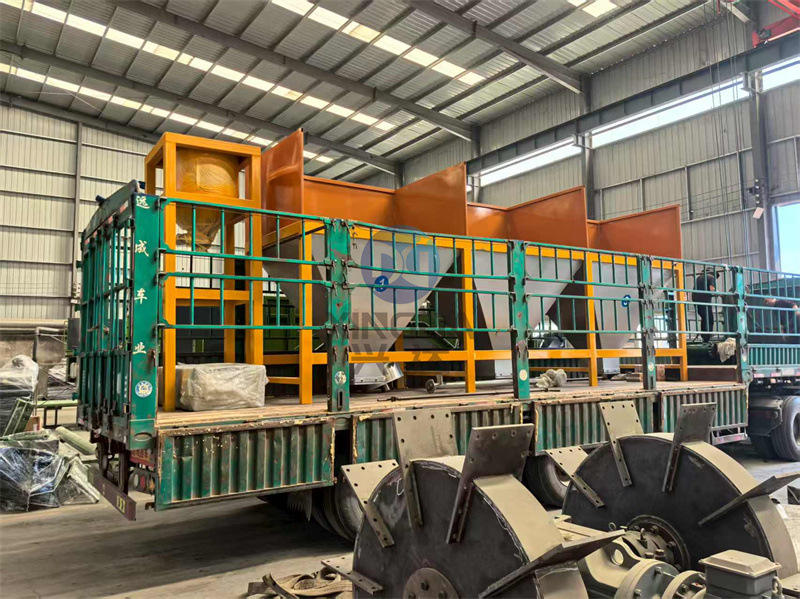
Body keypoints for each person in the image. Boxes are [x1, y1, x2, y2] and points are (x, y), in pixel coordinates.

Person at [693, 267, 718, 342]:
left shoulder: (698, 278)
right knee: (709, 319)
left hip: (696, 301)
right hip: (705, 302)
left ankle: (704, 337)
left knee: (704, 318)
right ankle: (707, 338)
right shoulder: (711, 277)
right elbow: (712, 289)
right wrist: (719, 293)